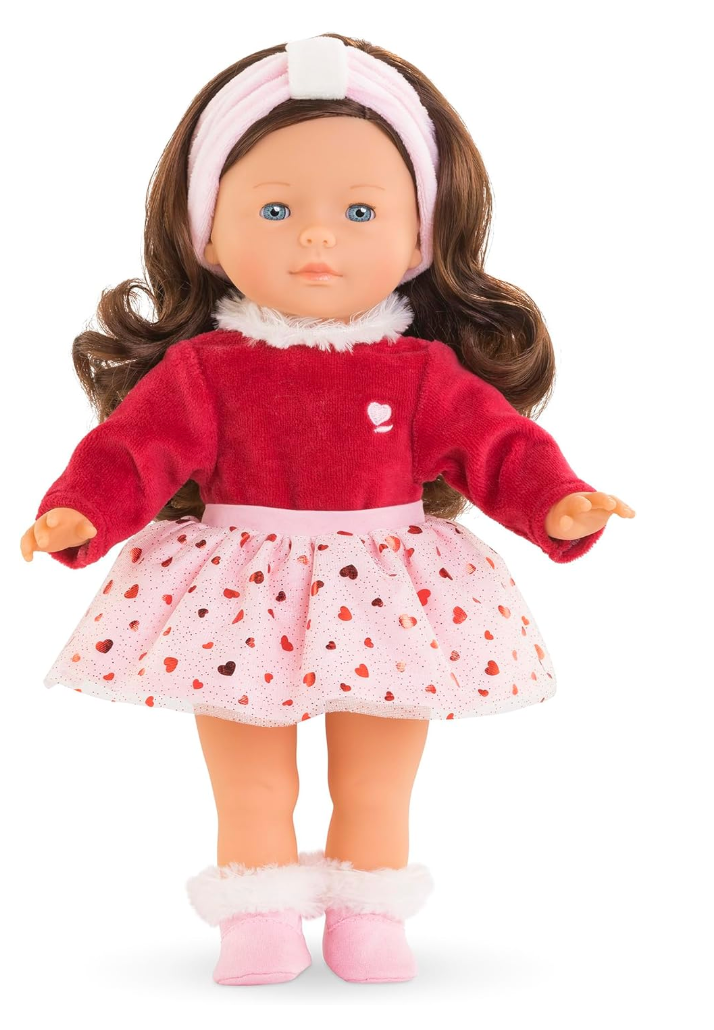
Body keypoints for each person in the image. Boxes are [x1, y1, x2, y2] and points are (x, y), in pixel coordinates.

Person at [21, 34, 635, 986]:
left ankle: (369, 922)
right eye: (276, 209)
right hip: (234, 590)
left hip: (389, 590)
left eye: (359, 211)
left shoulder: (421, 372)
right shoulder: (204, 372)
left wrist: (557, 501)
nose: (317, 238)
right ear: (206, 235)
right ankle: (257, 924)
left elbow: (498, 446)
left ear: (420, 238)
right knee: (253, 779)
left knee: (375, 780)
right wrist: (81, 512)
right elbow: (133, 452)